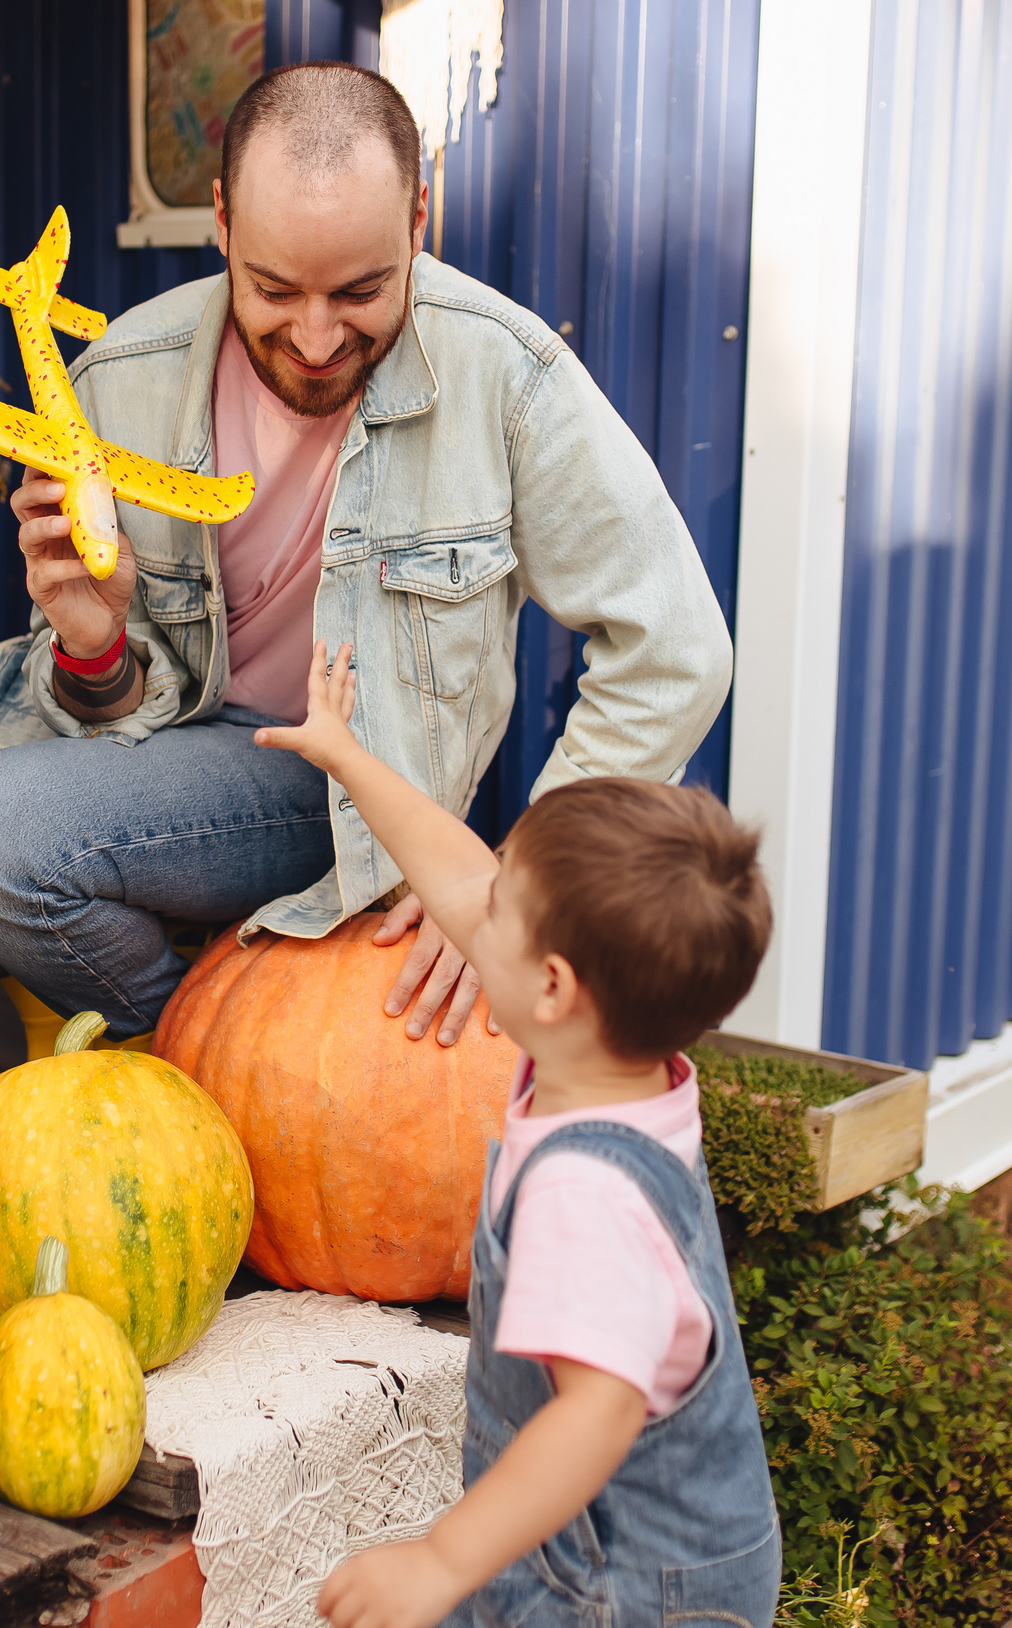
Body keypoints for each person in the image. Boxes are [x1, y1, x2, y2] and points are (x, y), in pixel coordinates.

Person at [0, 61, 731, 1042]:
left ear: (417, 221)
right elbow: (105, 708)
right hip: (162, 735)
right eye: (274, 289)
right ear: (222, 222)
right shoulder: (123, 371)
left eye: (361, 291)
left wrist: (522, 889)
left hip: (334, 784)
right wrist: (92, 644)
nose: (317, 339)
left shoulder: (508, 372)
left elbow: (676, 651)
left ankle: (210, 1054)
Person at [258, 641, 779, 1628]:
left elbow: (597, 1413)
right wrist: (348, 756)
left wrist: (440, 1560)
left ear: (551, 987)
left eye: (499, 908)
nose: (467, 911)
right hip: (614, 1550)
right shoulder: (618, 1066)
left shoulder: (586, 1196)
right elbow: (459, 878)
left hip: (628, 1587)